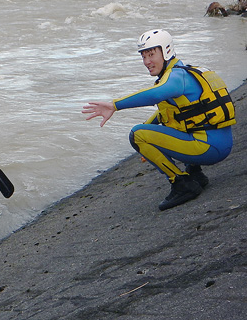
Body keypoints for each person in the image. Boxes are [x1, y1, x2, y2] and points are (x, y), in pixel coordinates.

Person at [82, 29, 235, 211]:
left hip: (208, 148)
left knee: (136, 134)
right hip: (221, 143)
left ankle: (182, 184)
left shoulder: (176, 78)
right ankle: (195, 174)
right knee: (169, 124)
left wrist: (114, 105)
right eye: (143, 56)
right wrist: (150, 140)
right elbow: (169, 114)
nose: (147, 62)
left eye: (151, 54)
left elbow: (154, 95)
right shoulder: (186, 72)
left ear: (166, 51)